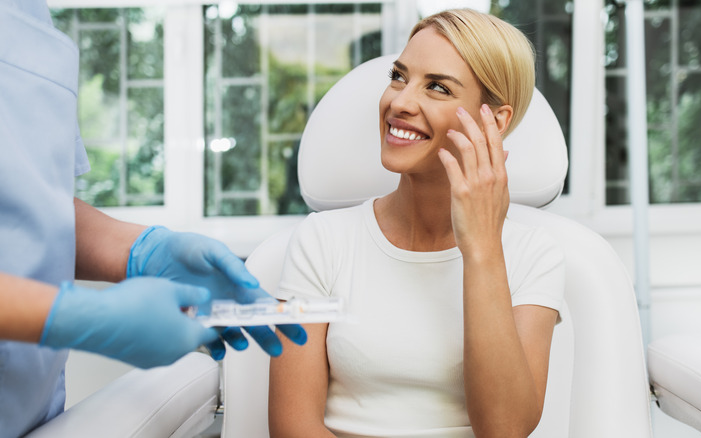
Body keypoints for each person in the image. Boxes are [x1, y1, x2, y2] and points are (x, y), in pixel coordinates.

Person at [0, 2, 305, 437]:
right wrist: (77, 317)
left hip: (32, 414)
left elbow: (31, 211)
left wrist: (141, 250)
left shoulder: (31, 17)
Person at [267, 8, 564, 438]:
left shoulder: (533, 255)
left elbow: (506, 430)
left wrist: (481, 250)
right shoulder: (321, 241)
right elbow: (292, 427)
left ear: (494, 122)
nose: (400, 102)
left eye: (438, 87)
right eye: (398, 76)